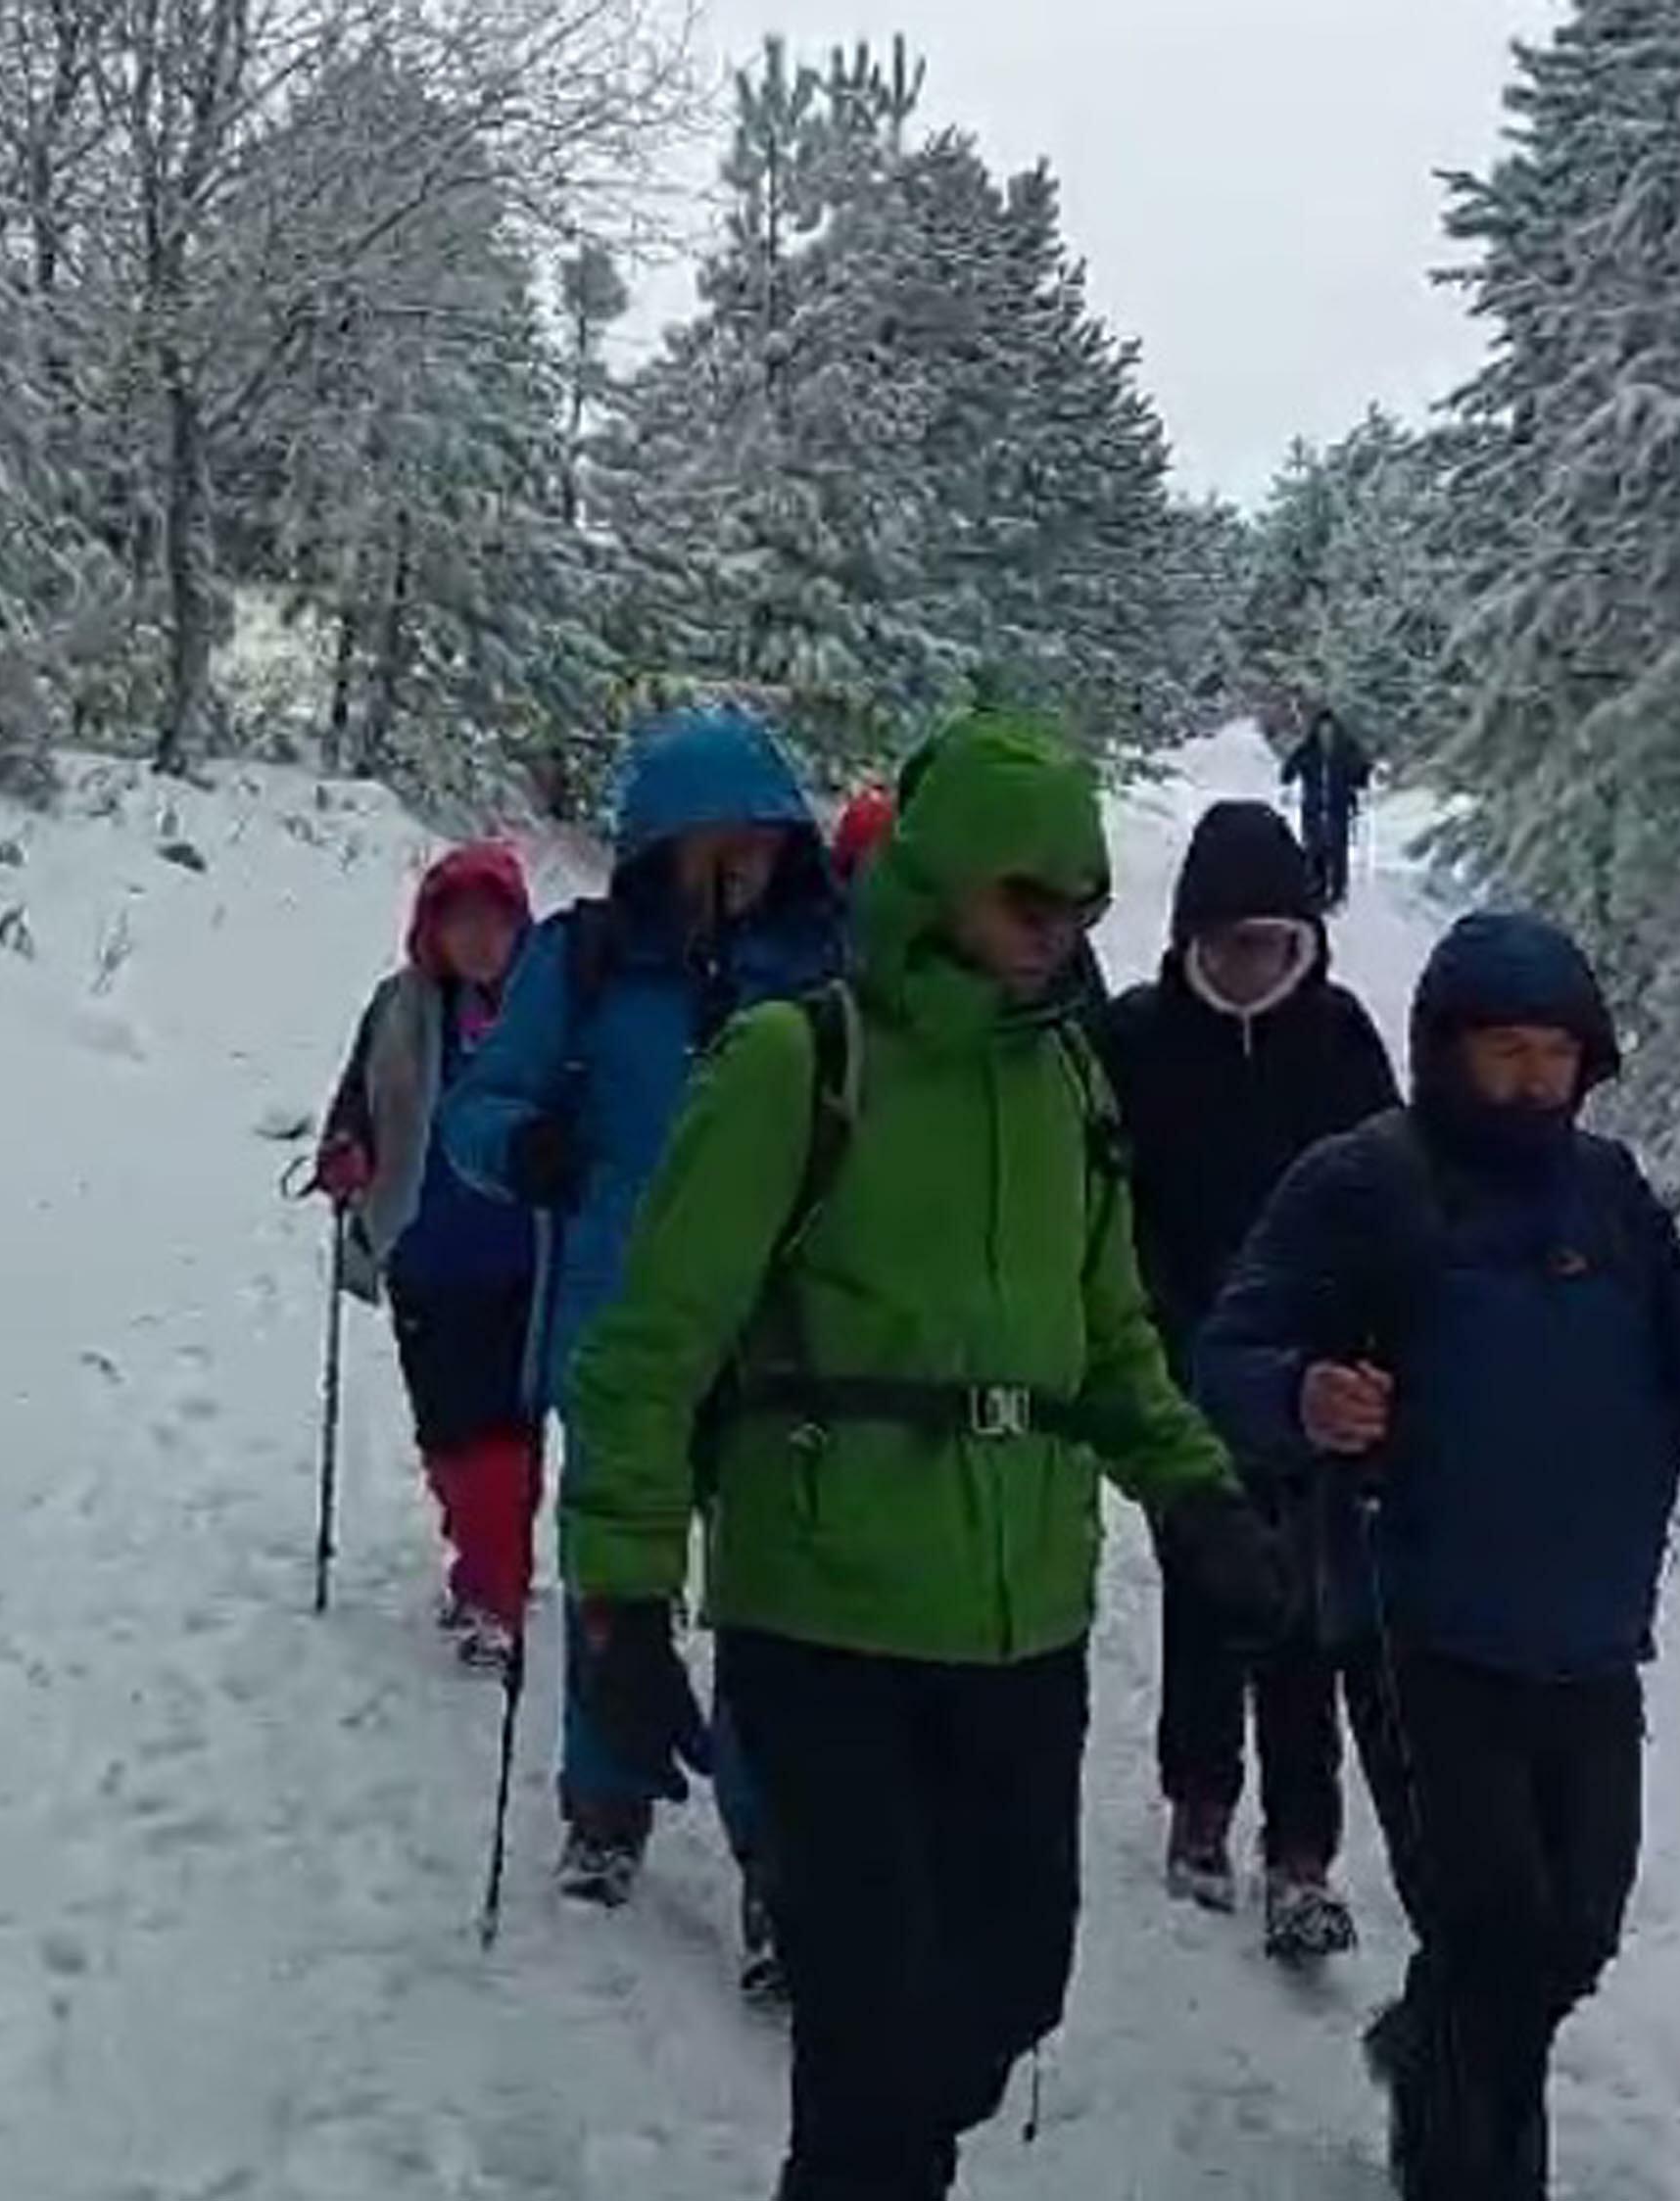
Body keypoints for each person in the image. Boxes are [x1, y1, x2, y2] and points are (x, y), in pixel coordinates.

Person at [563, 710, 1290, 2200]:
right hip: (822, 1609)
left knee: (1013, 1988)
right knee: (868, 2029)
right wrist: (621, 1592)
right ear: (943, 879)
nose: (1055, 938)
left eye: (1081, 911)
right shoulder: (793, 1061)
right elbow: (651, 1346)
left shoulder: (1070, 1085)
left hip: (1026, 1617)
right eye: (1030, 902)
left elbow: (1112, 1334)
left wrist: (1194, 1484)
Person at [1194, 908, 1680, 2201]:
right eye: (1503, 1050)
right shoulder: (1363, 1180)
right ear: (1444, 1050)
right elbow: (1226, 1349)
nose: (1528, 1078)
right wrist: (1304, 1395)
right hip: (1416, 1618)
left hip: (1588, 1629)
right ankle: (1469, 2167)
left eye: (1552, 1053)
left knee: (1572, 1927)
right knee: (1492, 1927)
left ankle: (1428, 2049)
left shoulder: (1610, 1191)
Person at [438, 700, 842, 1974]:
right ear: (657, 845)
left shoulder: (827, 970)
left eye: (759, 838)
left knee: (774, 1606)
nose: (739, 863)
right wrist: (524, 1145)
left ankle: (781, 1863)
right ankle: (604, 1802)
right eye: (709, 839)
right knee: (619, 1582)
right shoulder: (589, 959)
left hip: (780, 1333)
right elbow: (478, 1106)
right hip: (623, 1322)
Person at [1094, 800, 1399, 1958]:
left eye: (1272, 940)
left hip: (1314, 1380)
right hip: (1179, 1363)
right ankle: (1200, 1806)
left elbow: (1394, 1197)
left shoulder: (1340, 1042)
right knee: (1207, 1593)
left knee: (1310, 1620)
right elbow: (1106, 1200)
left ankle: (1303, 1856)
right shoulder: (1137, 1039)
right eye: (1227, 941)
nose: (1249, 962)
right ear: (1189, 939)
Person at [315, 843, 538, 1667]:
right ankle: (479, 1560)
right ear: (431, 929)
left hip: (522, 1255)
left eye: (496, 921)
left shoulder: (546, 1010)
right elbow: (356, 1098)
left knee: (503, 1436)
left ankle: (495, 1593)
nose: (480, 939)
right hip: (424, 1249)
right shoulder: (397, 1007)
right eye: (461, 921)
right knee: (447, 1432)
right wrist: (345, 1151)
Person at [1280, 705, 1374, 910]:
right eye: (1323, 730)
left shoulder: (1346, 749)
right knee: (1314, 848)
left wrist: (1362, 777)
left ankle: (1337, 892)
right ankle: (1316, 890)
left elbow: (1361, 769)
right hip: (1314, 806)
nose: (1326, 734)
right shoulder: (1309, 749)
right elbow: (1290, 768)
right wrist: (1289, 774)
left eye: (1329, 730)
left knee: (1337, 850)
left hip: (1338, 807)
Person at [830, 782, 896, 885]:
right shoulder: (888, 811)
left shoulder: (860, 804)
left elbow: (845, 827)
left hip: (850, 853)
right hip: (864, 859)